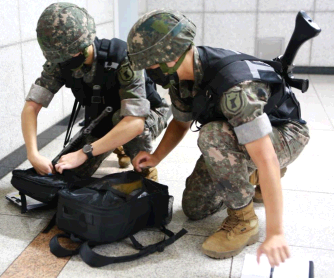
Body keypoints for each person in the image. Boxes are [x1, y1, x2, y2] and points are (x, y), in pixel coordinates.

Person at [127, 10, 310, 266]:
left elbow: (266, 157)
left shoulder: (235, 88)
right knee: (194, 208)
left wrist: (275, 232)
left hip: (284, 133)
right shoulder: (182, 77)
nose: (148, 71)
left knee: (212, 136)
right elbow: (181, 123)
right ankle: (251, 175)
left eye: (150, 64)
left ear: (170, 56)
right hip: (237, 135)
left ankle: (243, 221)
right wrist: (156, 156)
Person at [21, 3, 169, 181]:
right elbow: (31, 107)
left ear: (85, 43)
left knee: (126, 124)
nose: (65, 60)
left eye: (71, 54)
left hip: (144, 116)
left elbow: (135, 122)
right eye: (62, 57)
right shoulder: (60, 61)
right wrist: (33, 154)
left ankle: (144, 168)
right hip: (102, 118)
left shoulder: (123, 58)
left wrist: (85, 152)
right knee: (67, 174)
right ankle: (116, 142)